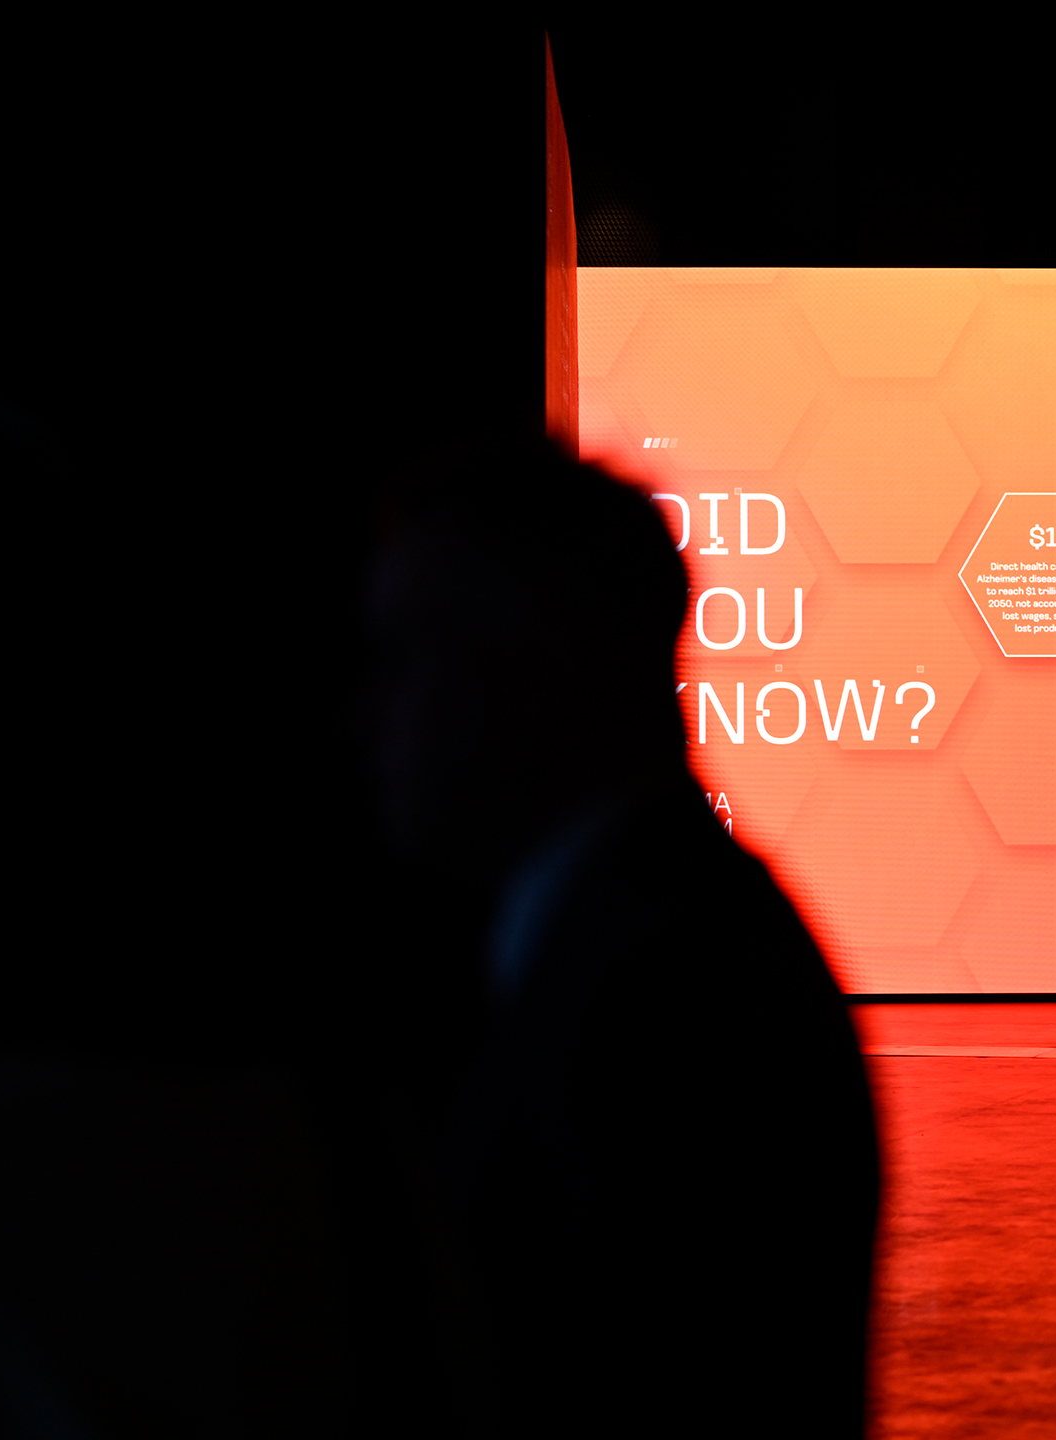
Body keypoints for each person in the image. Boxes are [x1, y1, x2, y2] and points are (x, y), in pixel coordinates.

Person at [369, 438, 878, 1438]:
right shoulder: (636, 937)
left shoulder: (664, 996)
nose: (366, 715)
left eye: (404, 658)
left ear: (538, 678)